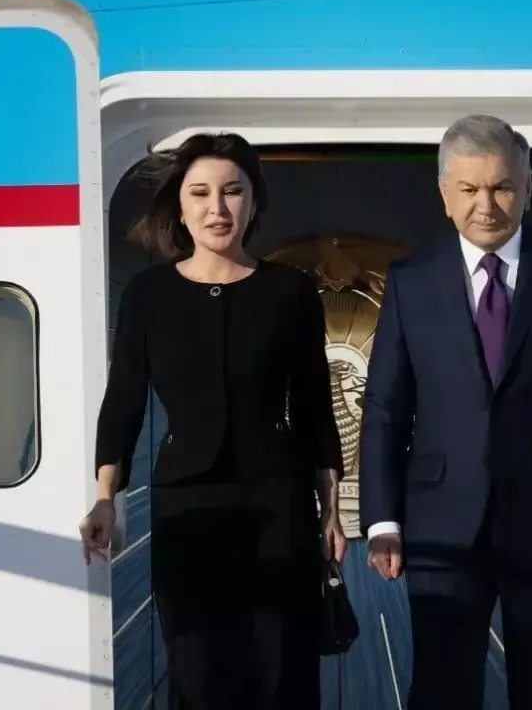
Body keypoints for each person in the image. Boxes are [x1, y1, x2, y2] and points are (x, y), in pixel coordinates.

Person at [358, 115, 532, 709]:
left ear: (528, 187)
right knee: (442, 688)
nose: (486, 204)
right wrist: (382, 518)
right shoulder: (411, 281)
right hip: (441, 525)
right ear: (444, 194)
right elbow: (385, 406)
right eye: (469, 189)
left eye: (502, 187)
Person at [78, 132, 348, 710]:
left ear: (254, 202)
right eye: (200, 193)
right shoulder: (149, 295)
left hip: (280, 502)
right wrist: (105, 496)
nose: (217, 208)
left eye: (232, 192)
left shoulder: (291, 291)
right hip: (187, 506)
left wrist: (331, 509)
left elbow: (313, 404)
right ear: (180, 203)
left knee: (280, 670)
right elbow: (123, 399)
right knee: (197, 670)